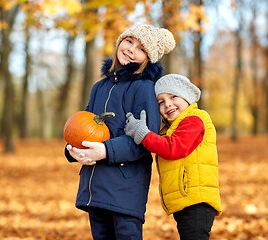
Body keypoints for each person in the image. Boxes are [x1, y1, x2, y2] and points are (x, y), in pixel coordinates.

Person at [64, 24, 175, 240]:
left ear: (147, 59)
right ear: (119, 42)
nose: (131, 49)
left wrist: (104, 150)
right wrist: (73, 150)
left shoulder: (143, 88)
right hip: (95, 189)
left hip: (125, 190)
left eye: (141, 49)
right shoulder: (99, 87)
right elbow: (84, 127)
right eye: (129, 41)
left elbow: (145, 140)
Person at [124, 74, 222, 240]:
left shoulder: (194, 119)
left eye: (173, 96)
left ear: (187, 97)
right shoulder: (172, 128)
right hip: (185, 201)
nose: (167, 104)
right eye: (161, 102)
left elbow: (173, 147)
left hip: (197, 201)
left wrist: (143, 134)